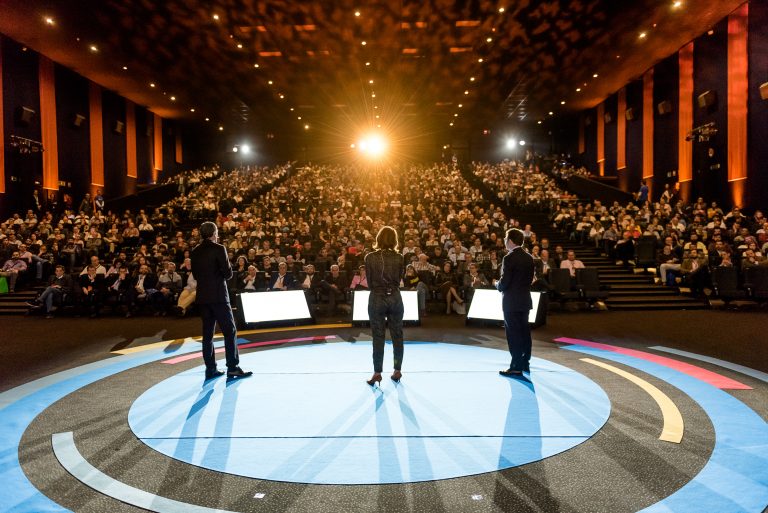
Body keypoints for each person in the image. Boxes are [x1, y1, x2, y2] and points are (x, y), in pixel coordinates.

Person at [190, 221, 251, 380]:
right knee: (230, 331)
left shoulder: (195, 251)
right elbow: (229, 274)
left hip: (203, 298)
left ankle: (210, 369)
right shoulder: (219, 248)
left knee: (207, 335)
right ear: (213, 233)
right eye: (217, 232)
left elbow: (196, 276)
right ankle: (232, 367)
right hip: (219, 296)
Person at [364, 226, 405, 386]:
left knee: (378, 336)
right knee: (397, 335)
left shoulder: (369, 257)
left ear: (378, 239)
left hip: (377, 298)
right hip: (395, 296)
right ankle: (397, 370)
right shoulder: (399, 257)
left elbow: (369, 280)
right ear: (394, 240)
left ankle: (377, 372)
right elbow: (399, 278)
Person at [494, 228, 535, 377]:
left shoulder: (509, 258)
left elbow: (504, 283)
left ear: (510, 241)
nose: (504, 241)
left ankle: (516, 366)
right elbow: (530, 280)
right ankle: (525, 363)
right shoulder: (529, 257)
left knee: (513, 334)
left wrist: (496, 284)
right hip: (524, 300)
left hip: (511, 302)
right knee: (525, 332)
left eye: (505, 238)